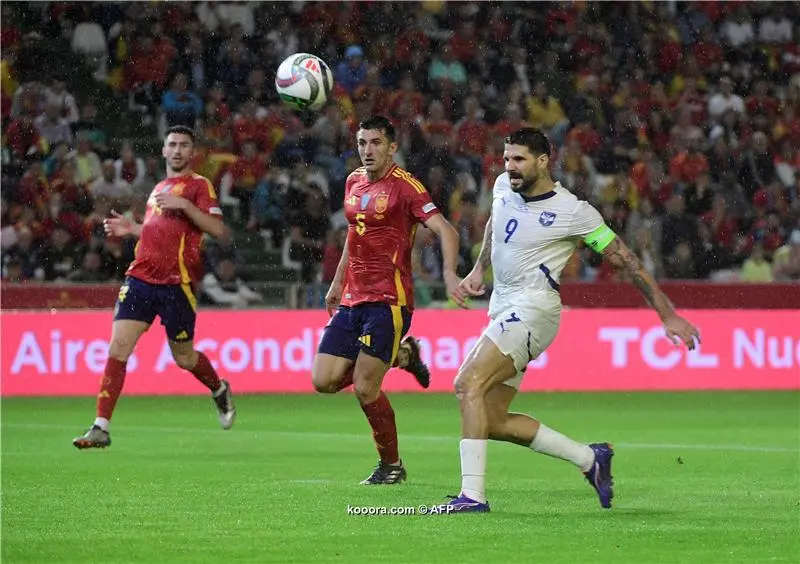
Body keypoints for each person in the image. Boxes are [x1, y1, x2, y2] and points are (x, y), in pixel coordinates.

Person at [443, 128, 700, 512]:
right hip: (502, 306)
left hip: (534, 309)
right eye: (507, 158)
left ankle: (472, 497)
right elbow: (496, 225)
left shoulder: (572, 211)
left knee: (467, 385)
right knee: (490, 418)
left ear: (543, 161)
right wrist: (479, 269)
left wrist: (668, 314)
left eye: (519, 159)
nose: (510, 167)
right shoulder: (501, 186)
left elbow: (626, 260)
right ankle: (590, 459)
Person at [312, 116, 464, 484]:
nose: (367, 150)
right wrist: (337, 281)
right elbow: (354, 233)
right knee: (324, 380)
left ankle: (391, 466)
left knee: (365, 387)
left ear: (392, 147)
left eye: (376, 143)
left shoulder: (406, 188)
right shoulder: (352, 182)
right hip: (352, 297)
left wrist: (448, 274)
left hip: (389, 299)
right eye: (362, 143)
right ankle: (403, 355)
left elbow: (445, 228)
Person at [72, 125, 236, 449]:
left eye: (184, 145)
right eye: (172, 144)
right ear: (163, 150)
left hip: (178, 285)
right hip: (141, 279)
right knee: (118, 347)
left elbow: (220, 231)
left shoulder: (198, 186)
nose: (177, 150)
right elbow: (158, 233)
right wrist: (132, 228)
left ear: (192, 152)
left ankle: (219, 389)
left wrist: (185, 205)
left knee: (185, 358)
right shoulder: (159, 188)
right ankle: (100, 427)